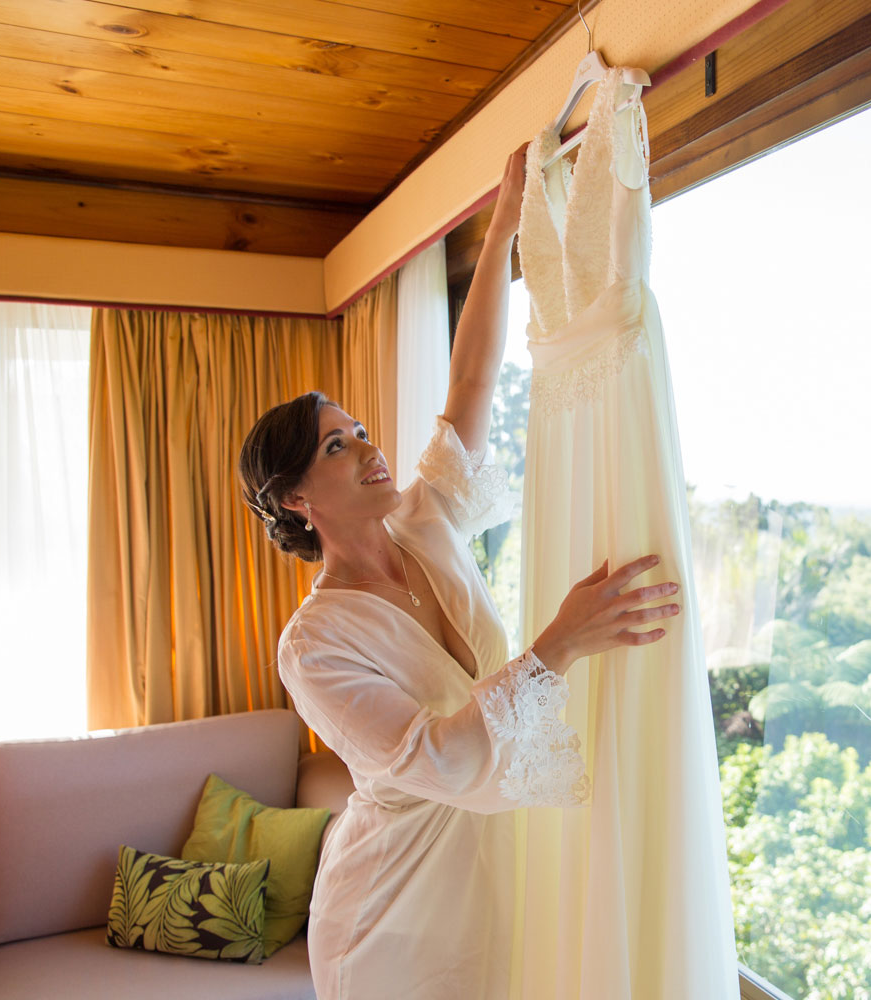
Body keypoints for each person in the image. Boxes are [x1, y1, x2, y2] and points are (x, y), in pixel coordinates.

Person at [235, 146, 681, 999]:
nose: (369, 446)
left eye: (360, 429)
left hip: (492, 879)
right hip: (390, 907)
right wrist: (558, 644)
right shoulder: (313, 646)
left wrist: (505, 222)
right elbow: (438, 760)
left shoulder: (429, 516)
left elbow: (472, 376)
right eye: (338, 445)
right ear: (296, 499)